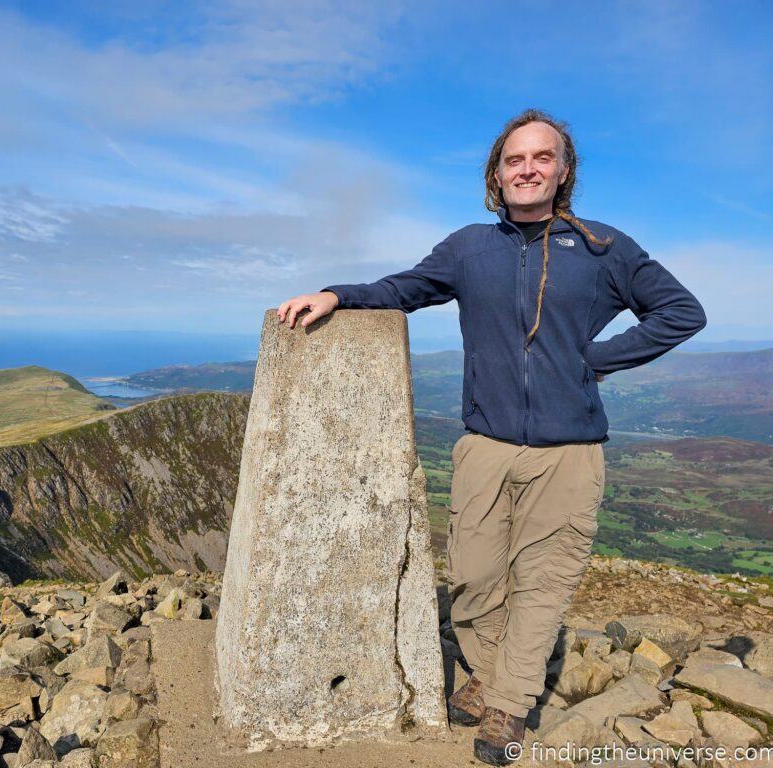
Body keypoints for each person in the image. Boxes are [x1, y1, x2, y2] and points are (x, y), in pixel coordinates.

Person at [276, 108, 707, 766]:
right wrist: (337, 295)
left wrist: (595, 359)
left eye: (542, 158)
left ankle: (506, 703)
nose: (528, 169)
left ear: (563, 171)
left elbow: (682, 311)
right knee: (473, 580)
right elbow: (405, 288)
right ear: (497, 174)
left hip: (570, 453)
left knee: (542, 586)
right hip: (485, 445)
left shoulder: (603, 248)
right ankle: (486, 670)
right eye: (515, 159)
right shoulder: (468, 248)